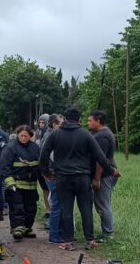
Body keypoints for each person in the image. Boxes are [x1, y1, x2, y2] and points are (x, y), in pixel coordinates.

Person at [39, 107, 119, 251]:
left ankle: (68, 242)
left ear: (65, 119)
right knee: (86, 209)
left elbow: (44, 154)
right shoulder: (86, 135)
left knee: (66, 209)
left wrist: (47, 172)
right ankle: (90, 240)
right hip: (82, 177)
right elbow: (100, 156)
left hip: (63, 177)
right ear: (79, 120)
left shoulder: (55, 135)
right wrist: (111, 170)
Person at [0, 125, 41, 240]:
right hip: (15, 184)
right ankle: (17, 229)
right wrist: (10, 183)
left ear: (30, 136)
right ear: (17, 135)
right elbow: (4, 167)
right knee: (17, 207)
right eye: (21, 135)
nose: (23, 138)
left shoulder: (35, 148)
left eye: (26, 136)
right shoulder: (10, 148)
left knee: (31, 208)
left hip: (31, 185)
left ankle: (27, 228)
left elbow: (39, 164)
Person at [88, 110, 118, 240]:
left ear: (98, 120)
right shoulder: (103, 133)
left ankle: (108, 233)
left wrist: (97, 179)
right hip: (107, 174)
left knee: (103, 205)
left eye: (90, 120)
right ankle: (107, 232)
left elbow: (101, 160)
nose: (88, 122)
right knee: (102, 204)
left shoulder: (102, 136)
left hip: (105, 175)